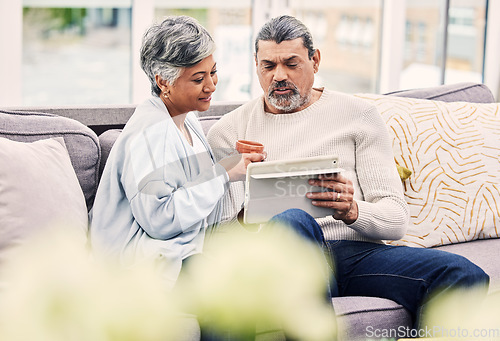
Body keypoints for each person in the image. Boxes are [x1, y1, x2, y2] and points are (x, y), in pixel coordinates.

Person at [207, 15, 489, 328]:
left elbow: (395, 219)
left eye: (291, 63)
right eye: (268, 66)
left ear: (315, 60)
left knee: (464, 274)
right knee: (293, 219)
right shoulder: (227, 132)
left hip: (352, 254)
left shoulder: (359, 115)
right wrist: (248, 216)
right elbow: (214, 242)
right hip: (275, 260)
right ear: (256, 64)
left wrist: (352, 211)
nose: (279, 76)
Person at [89, 16, 267, 290]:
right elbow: (160, 218)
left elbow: (185, 179)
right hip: (141, 267)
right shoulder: (150, 133)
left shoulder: (186, 119)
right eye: (198, 78)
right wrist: (222, 173)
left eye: (213, 72)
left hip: (178, 255)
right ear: (164, 82)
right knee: (232, 282)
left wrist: (227, 159)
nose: (211, 85)